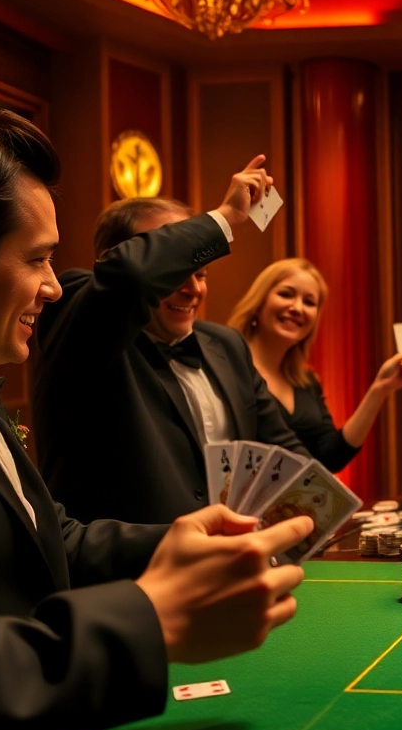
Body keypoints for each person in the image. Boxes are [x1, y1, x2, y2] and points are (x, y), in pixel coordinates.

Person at [0, 108, 315, 730]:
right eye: (37, 259)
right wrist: (149, 619)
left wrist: (182, 544)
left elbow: (54, 540)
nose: (50, 286)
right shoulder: (84, 326)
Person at [35, 171, 311, 525]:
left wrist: (325, 506)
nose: (193, 288)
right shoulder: (79, 322)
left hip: (233, 553)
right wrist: (225, 216)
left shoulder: (226, 344)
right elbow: (132, 276)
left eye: (201, 273)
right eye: (175, 270)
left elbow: (280, 449)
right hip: (131, 559)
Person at [226, 259, 402, 472]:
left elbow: (331, 457)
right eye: (286, 294)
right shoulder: (228, 369)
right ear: (258, 302)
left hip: (299, 493)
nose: (297, 308)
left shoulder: (306, 382)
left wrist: (379, 389)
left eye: (309, 302)